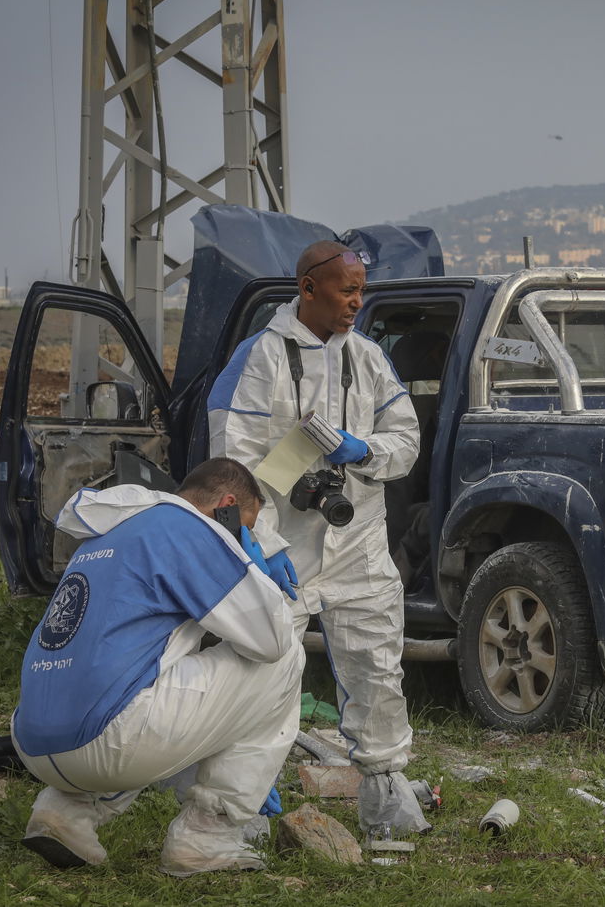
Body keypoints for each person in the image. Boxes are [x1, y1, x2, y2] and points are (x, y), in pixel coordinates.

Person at [206, 240, 429, 836]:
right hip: (281, 548)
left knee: (377, 665)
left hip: (357, 544)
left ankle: (384, 789)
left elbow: (405, 441)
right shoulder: (262, 359)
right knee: (262, 672)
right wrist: (267, 548)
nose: (357, 301)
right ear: (307, 288)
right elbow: (232, 467)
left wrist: (367, 451)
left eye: (362, 290)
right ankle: (238, 799)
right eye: (346, 289)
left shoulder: (369, 358)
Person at [12, 457, 303, 877]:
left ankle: (65, 811)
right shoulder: (193, 531)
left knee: (146, 675)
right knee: (288, 653)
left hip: (33, 741)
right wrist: (252, 570)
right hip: (105, 741)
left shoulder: (115, 528)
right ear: (225, 504)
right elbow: (271, 640)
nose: (245, 537)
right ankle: (206, 837)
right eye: (247, 525)